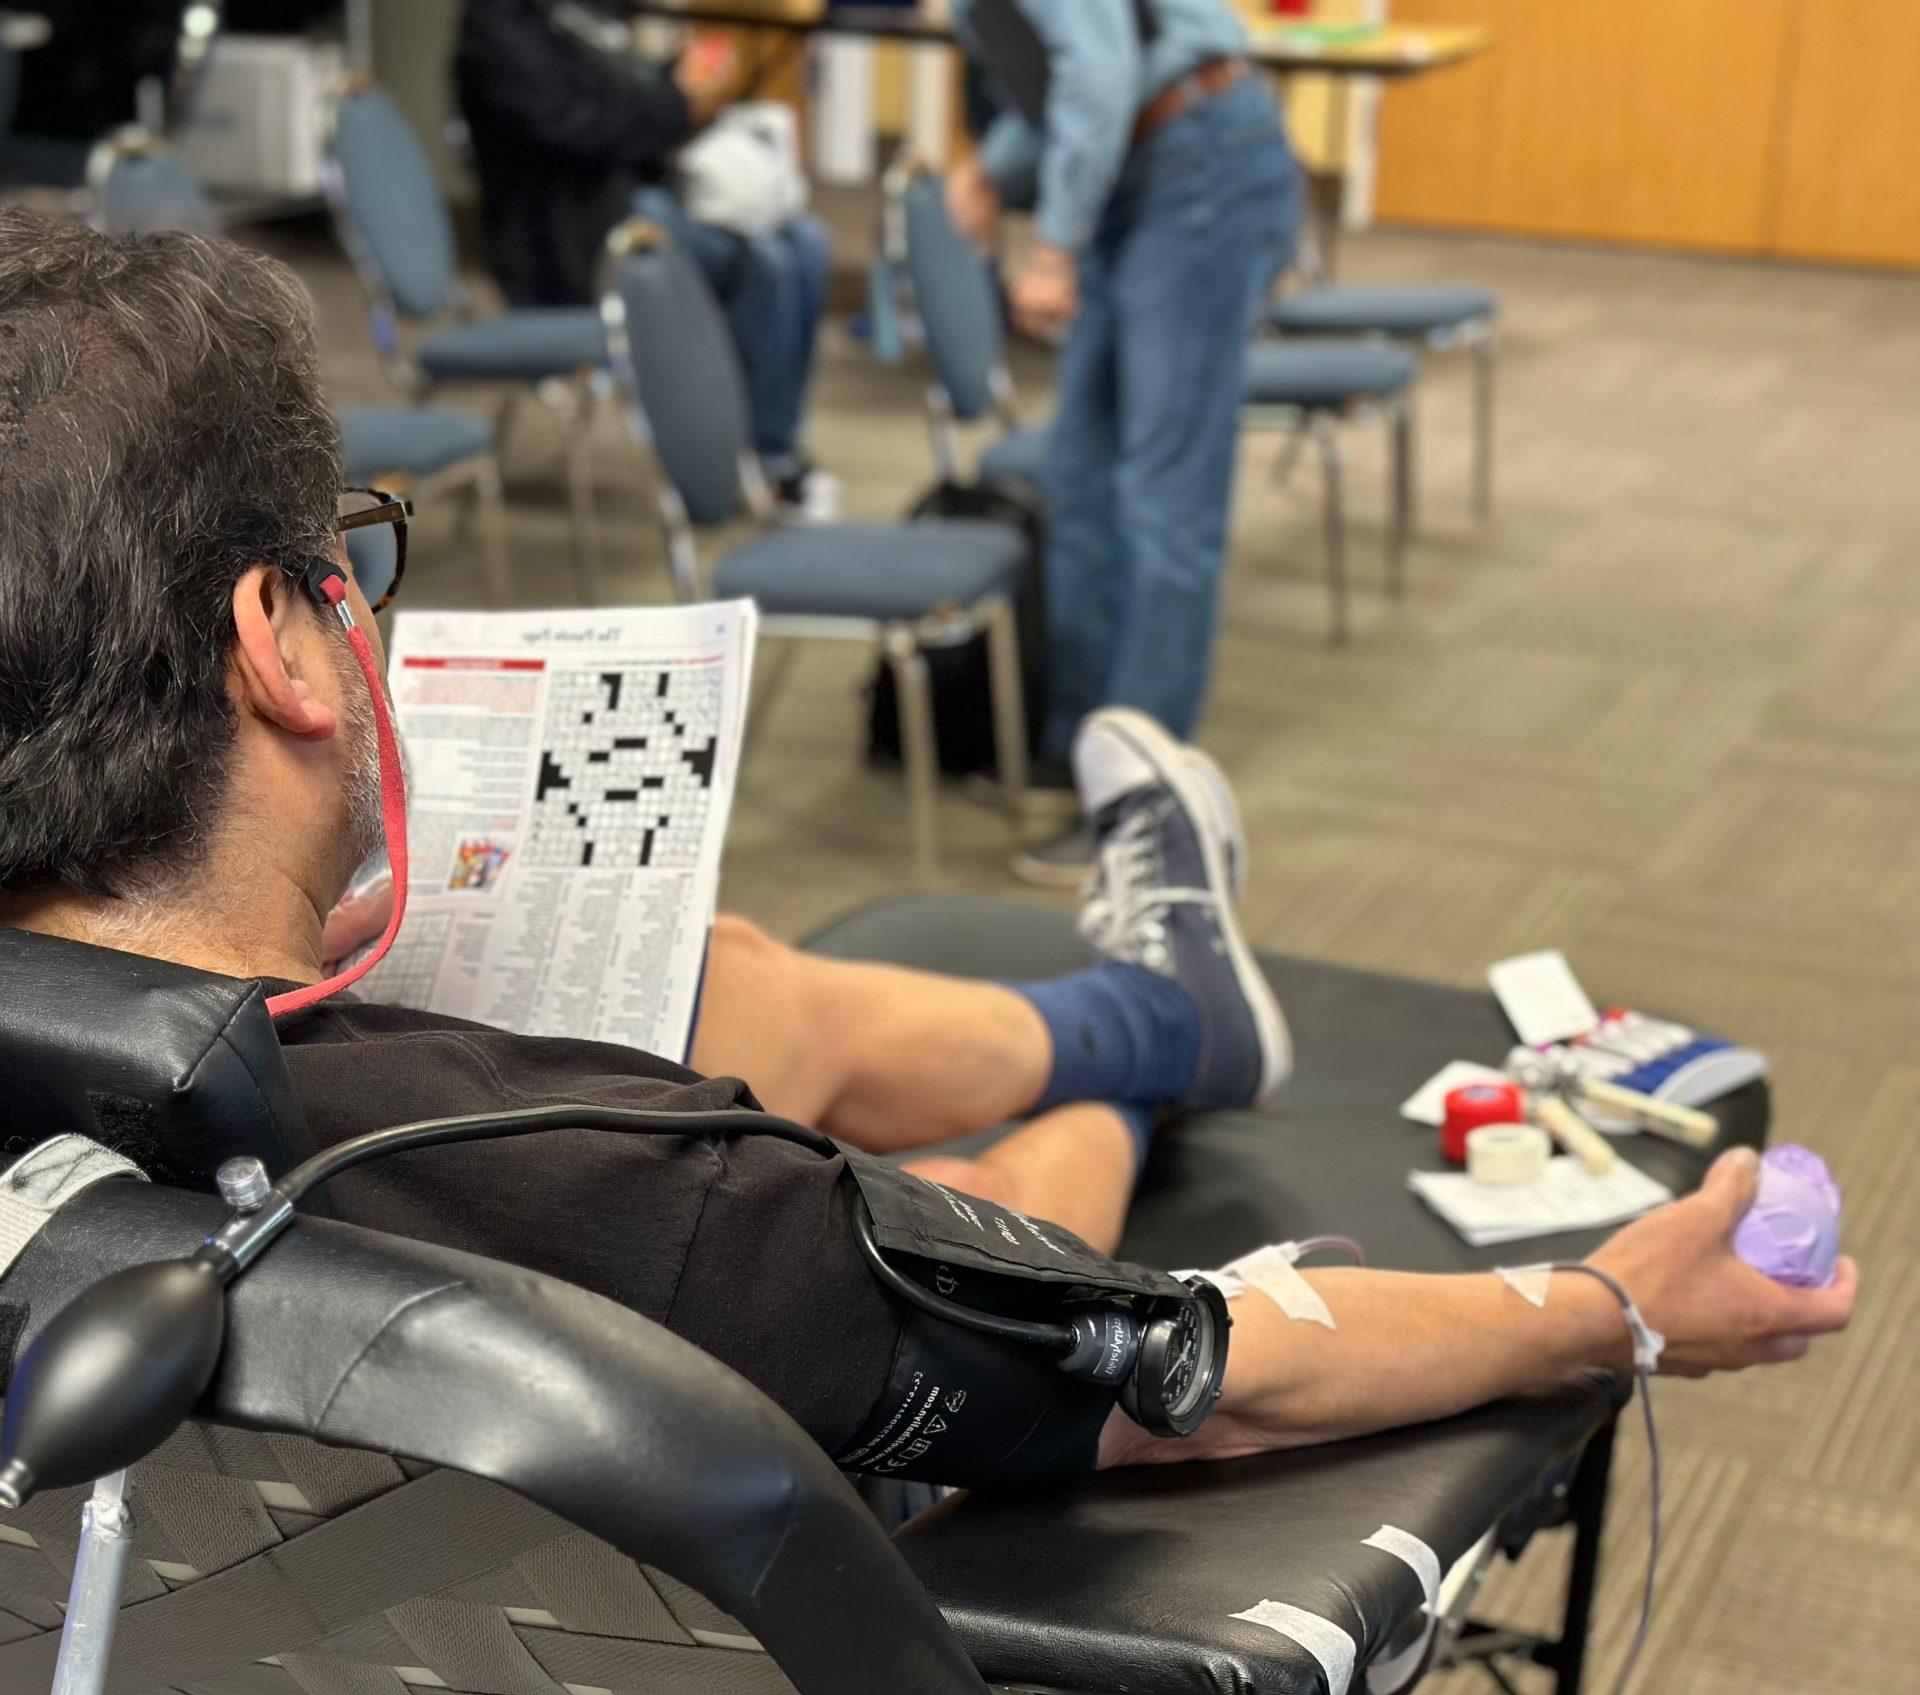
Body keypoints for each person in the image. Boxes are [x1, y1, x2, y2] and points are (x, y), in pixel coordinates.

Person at [0, 219, 1857, 1495]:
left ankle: (1153, 1010)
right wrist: (1613, 1308)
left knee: (725, 979)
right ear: (284, 647)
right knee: (1002, 1215)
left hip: (270, 1626)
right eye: (354, 572)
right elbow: (1181, 1368)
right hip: (732, 1411)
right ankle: (1143, 1054)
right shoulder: (637, 1204)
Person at [946, 0, 1301, 884]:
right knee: (1081, 482)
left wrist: (1055, 245)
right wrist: (993, 170)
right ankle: (1079, 751)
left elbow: (1100, 74)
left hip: (1198, 164)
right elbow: (1078, 83)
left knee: (1162, 499)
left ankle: (1145, 802)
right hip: (1139, 162)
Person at [456, 0, 835, 509]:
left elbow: (623, 104)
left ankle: (772, 447)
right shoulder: (498, 26)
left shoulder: (585, 15)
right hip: (566, 243)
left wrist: (673, 81)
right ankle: (758, 460)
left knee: (805, 241)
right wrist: (672, 100)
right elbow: (580, 128)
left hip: (627, 207)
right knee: (766, 261)